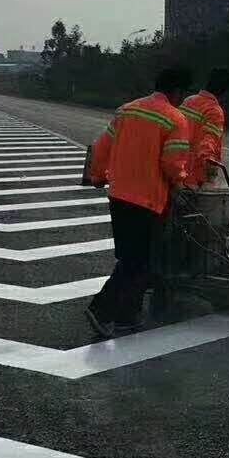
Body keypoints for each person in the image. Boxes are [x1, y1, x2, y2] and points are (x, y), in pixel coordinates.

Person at [85, 64, 194, 337]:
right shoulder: (175, 119)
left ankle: (128, 317)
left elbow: (100, 148)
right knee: (138, 261)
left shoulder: (127, 110)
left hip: (119, 195)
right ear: (177, 91)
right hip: (148, 200)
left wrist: (98, 175)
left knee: (129, 257)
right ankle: (101, 309)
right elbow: (172, 164)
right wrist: (180, 184)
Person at [182, 67, 229, 186]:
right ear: (225, 91)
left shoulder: (189, 101)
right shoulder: (214, 111)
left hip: (177, 169)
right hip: (195, 177)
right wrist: (210, 174)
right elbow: (208, 144)